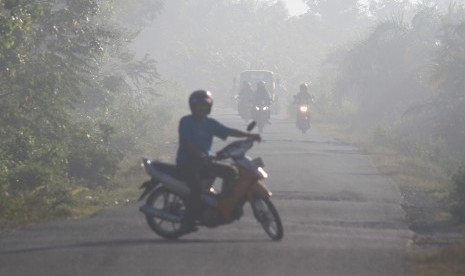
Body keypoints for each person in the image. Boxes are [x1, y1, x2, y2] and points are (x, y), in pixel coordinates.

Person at [176, 90, 261, 233]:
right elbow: (185, 143)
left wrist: (249, 136)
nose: (202, 109)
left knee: (230, 172)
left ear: (209, 107)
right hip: (188, 163)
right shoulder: (186, 121)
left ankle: (223, 204)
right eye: (199, 106)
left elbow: (228, 131)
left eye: (205, 106)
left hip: (205, 162)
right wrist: (200, 155)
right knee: (196, 188)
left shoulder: (210, 123)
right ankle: (187, 222)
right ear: (193, 107)